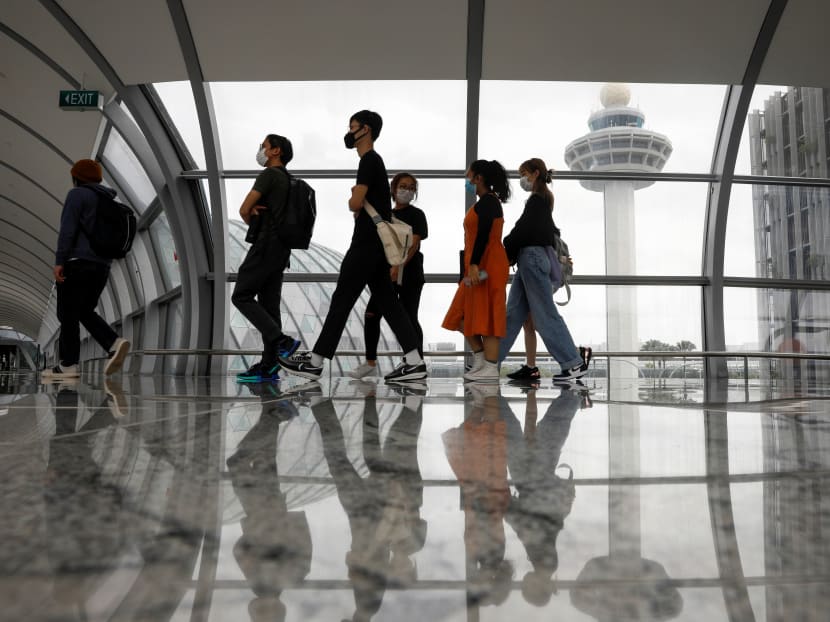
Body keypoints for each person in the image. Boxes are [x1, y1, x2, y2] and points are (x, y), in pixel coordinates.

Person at [280, 111, 426, 382]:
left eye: (353, 127)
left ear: (365, 130)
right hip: (375, 249)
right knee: (389, 304)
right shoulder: (373, 162)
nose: (349, 132)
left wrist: (353, 200)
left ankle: (315, 362)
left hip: (365, 246)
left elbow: (355, 203)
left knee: (342, 301)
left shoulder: (370, 161)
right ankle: (415, 362)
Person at [499, 158, 591, 383]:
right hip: (529, 260)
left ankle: (574, 362)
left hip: (532, 258)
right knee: (512, 314)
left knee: (544, 314)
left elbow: (523, 229)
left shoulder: (538, 201)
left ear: (536, 173)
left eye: (524, 174)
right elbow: (549, 230)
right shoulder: (543, 200)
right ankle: (491, 363)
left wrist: (505, 247)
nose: (522, 179)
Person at [42, 159, 130, 379]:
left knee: (67, 313)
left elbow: (68, 230)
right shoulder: (109, 200)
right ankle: (112, 342)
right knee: (82, 310)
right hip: (103, 266)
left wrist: (60, 261)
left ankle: (69, 365)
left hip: (78, 263)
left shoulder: (77, 195)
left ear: (76, 177)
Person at [232, 134, 302, 384]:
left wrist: (252, 217)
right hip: (282, 251)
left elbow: (243, 209)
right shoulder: (290, 181)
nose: (261, 150)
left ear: (275, 151)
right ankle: (270, 366)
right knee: (270, 307)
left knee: (240, 295)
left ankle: (282, 341)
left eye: (264, 146)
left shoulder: (269, 175)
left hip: (265, 245)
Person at [349, 172, 428, 379]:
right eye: (403, 186)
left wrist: (399, 266)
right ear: (393, 189)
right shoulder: (385, 214)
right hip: (386, 272)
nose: (407, 191)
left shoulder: (416, 215)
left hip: (409, 273)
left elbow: (414, 242)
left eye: (412, 188)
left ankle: (415, 362)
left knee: (410, 316)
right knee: (371, 314)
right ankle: (370, 362)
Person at [442, 160, 510, 382]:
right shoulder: (484, 202)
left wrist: (474, 265)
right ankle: (481, 359)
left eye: (468, 175)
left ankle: (490, 367)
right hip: (478, 265)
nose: (467, 180)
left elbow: (483, 235)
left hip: (487, 265)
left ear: (478, 177)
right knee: (460, 315)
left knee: (489, 315)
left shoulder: (489, 202)